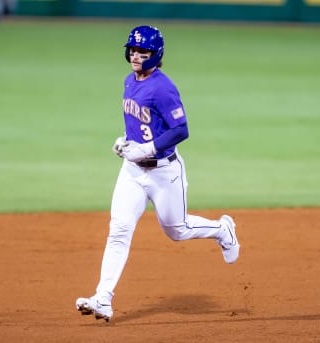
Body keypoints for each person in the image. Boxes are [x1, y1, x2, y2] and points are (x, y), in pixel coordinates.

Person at [75, 25, 240, 322]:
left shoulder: (163, 87)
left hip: (164, 173)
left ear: (156, 55)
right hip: (132, 172)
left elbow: (181, 130)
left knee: (176, 231)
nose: (136, 56)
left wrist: (148, 148)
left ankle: (222, 230)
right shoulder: (129, 80)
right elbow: (140, 123)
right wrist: (125, 142)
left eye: (143, 52)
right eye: (133, 50)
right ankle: (103, 298)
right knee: (119, 230)